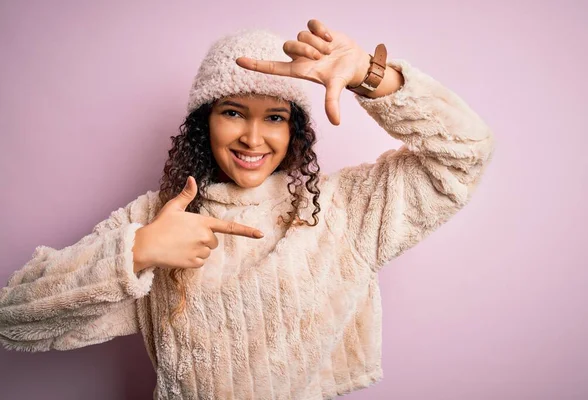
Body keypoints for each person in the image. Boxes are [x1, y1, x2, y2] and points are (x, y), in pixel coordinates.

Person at [0, 19, 495, 400]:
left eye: (274, 118)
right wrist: (139, 251)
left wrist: (373, 76)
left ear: (294, 130)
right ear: (203, 122)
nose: (253, 138)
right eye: (233, 111)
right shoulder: (158, 217)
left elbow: (465, 154)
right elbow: (15, 318)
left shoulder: (344, 212)